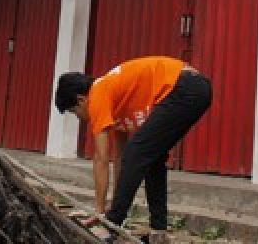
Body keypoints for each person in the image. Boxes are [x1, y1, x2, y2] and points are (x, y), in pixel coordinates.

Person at [54, 56, 212, 242]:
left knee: (137, 152)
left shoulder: (98, 94)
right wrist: (114, 200)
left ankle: (111, 225)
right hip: (194, 88)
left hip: (185, 87)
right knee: (153, 158)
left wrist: (100, 213)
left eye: (74, 113)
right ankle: (158, 231)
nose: (79, 118)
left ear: (81, 100)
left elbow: (101, 159)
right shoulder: (114, 101)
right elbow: (119, 158)